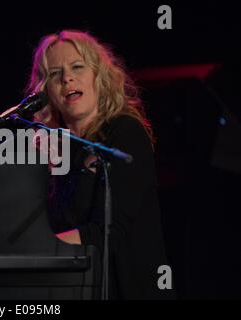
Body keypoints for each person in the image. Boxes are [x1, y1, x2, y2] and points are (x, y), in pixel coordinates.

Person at [26, 30, 176, 299]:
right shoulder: (54, 150)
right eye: (54, 73)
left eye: (77, 66)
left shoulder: (124, 132)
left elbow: (105, 232)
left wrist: (36, 248)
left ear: (99, 75)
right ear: (46, 91)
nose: (66, 78)